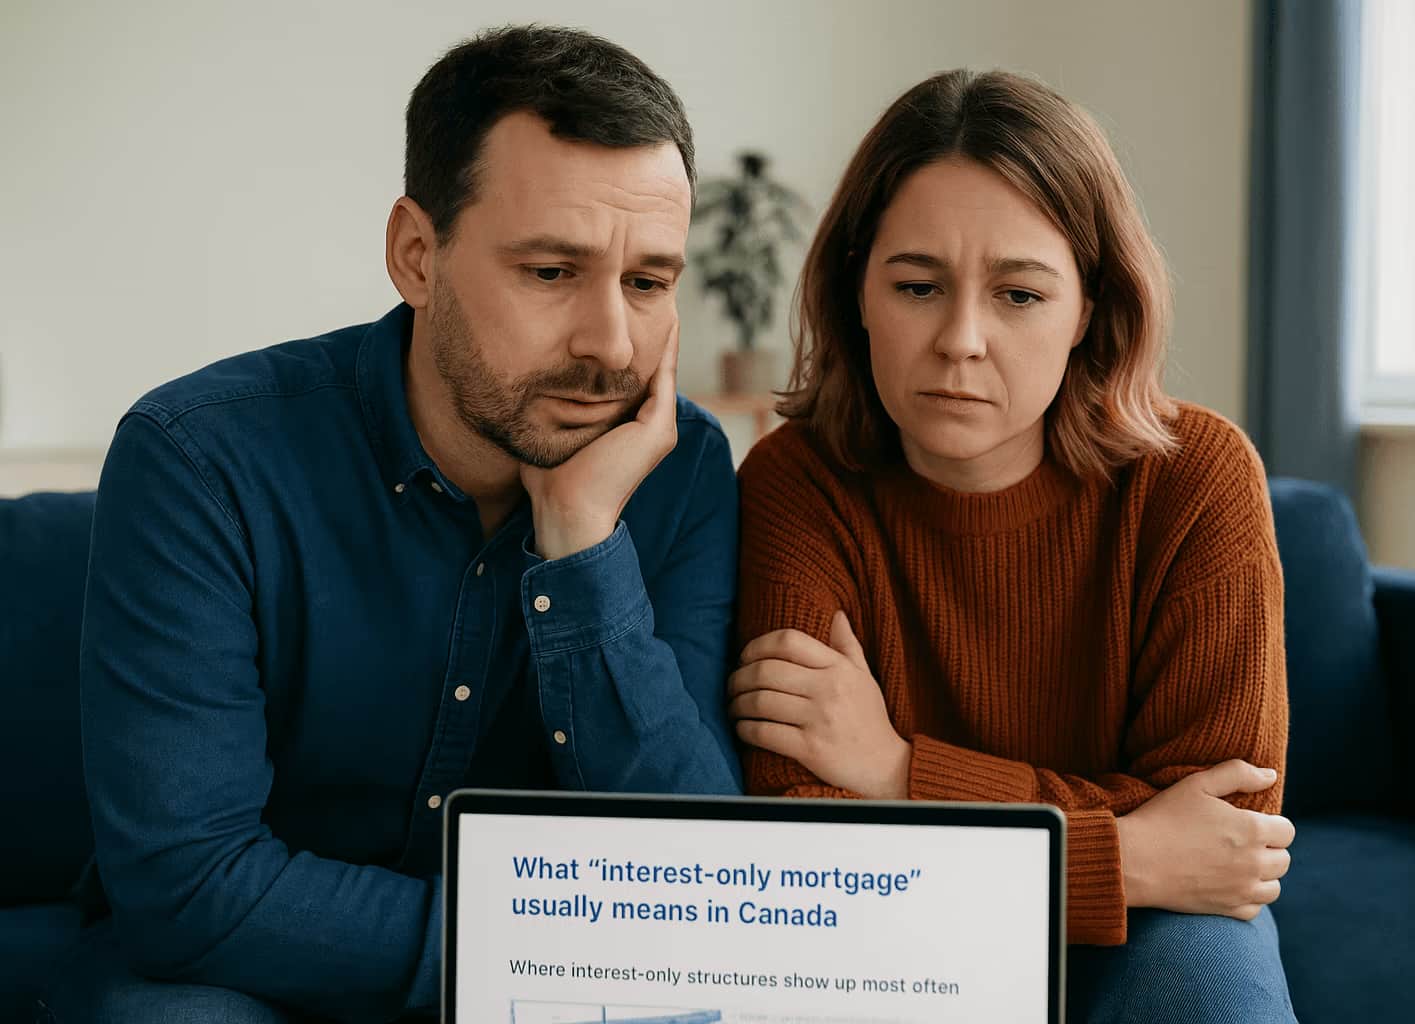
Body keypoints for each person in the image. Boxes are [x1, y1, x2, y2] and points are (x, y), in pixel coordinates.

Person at [43, 25, 740, 1024]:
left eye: (648, 281)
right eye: (550, 272)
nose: (612, 344)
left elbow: (702, 880)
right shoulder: (198, 456)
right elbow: (188, 888)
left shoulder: (681, 471)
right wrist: (534, 951)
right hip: (237, 984)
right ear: (418, 255)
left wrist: (582, 541)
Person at [730, 69, 1297, 1023]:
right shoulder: (799, 479)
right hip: (882, 941)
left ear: (1088, 310)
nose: (960, 339)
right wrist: (1128, 850)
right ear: (857, 289)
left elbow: (1225, 839)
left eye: (1020, 295)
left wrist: (900, 771)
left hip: (1157, 927)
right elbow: (807, 847)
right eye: (917, 286)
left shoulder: (1197, 477)